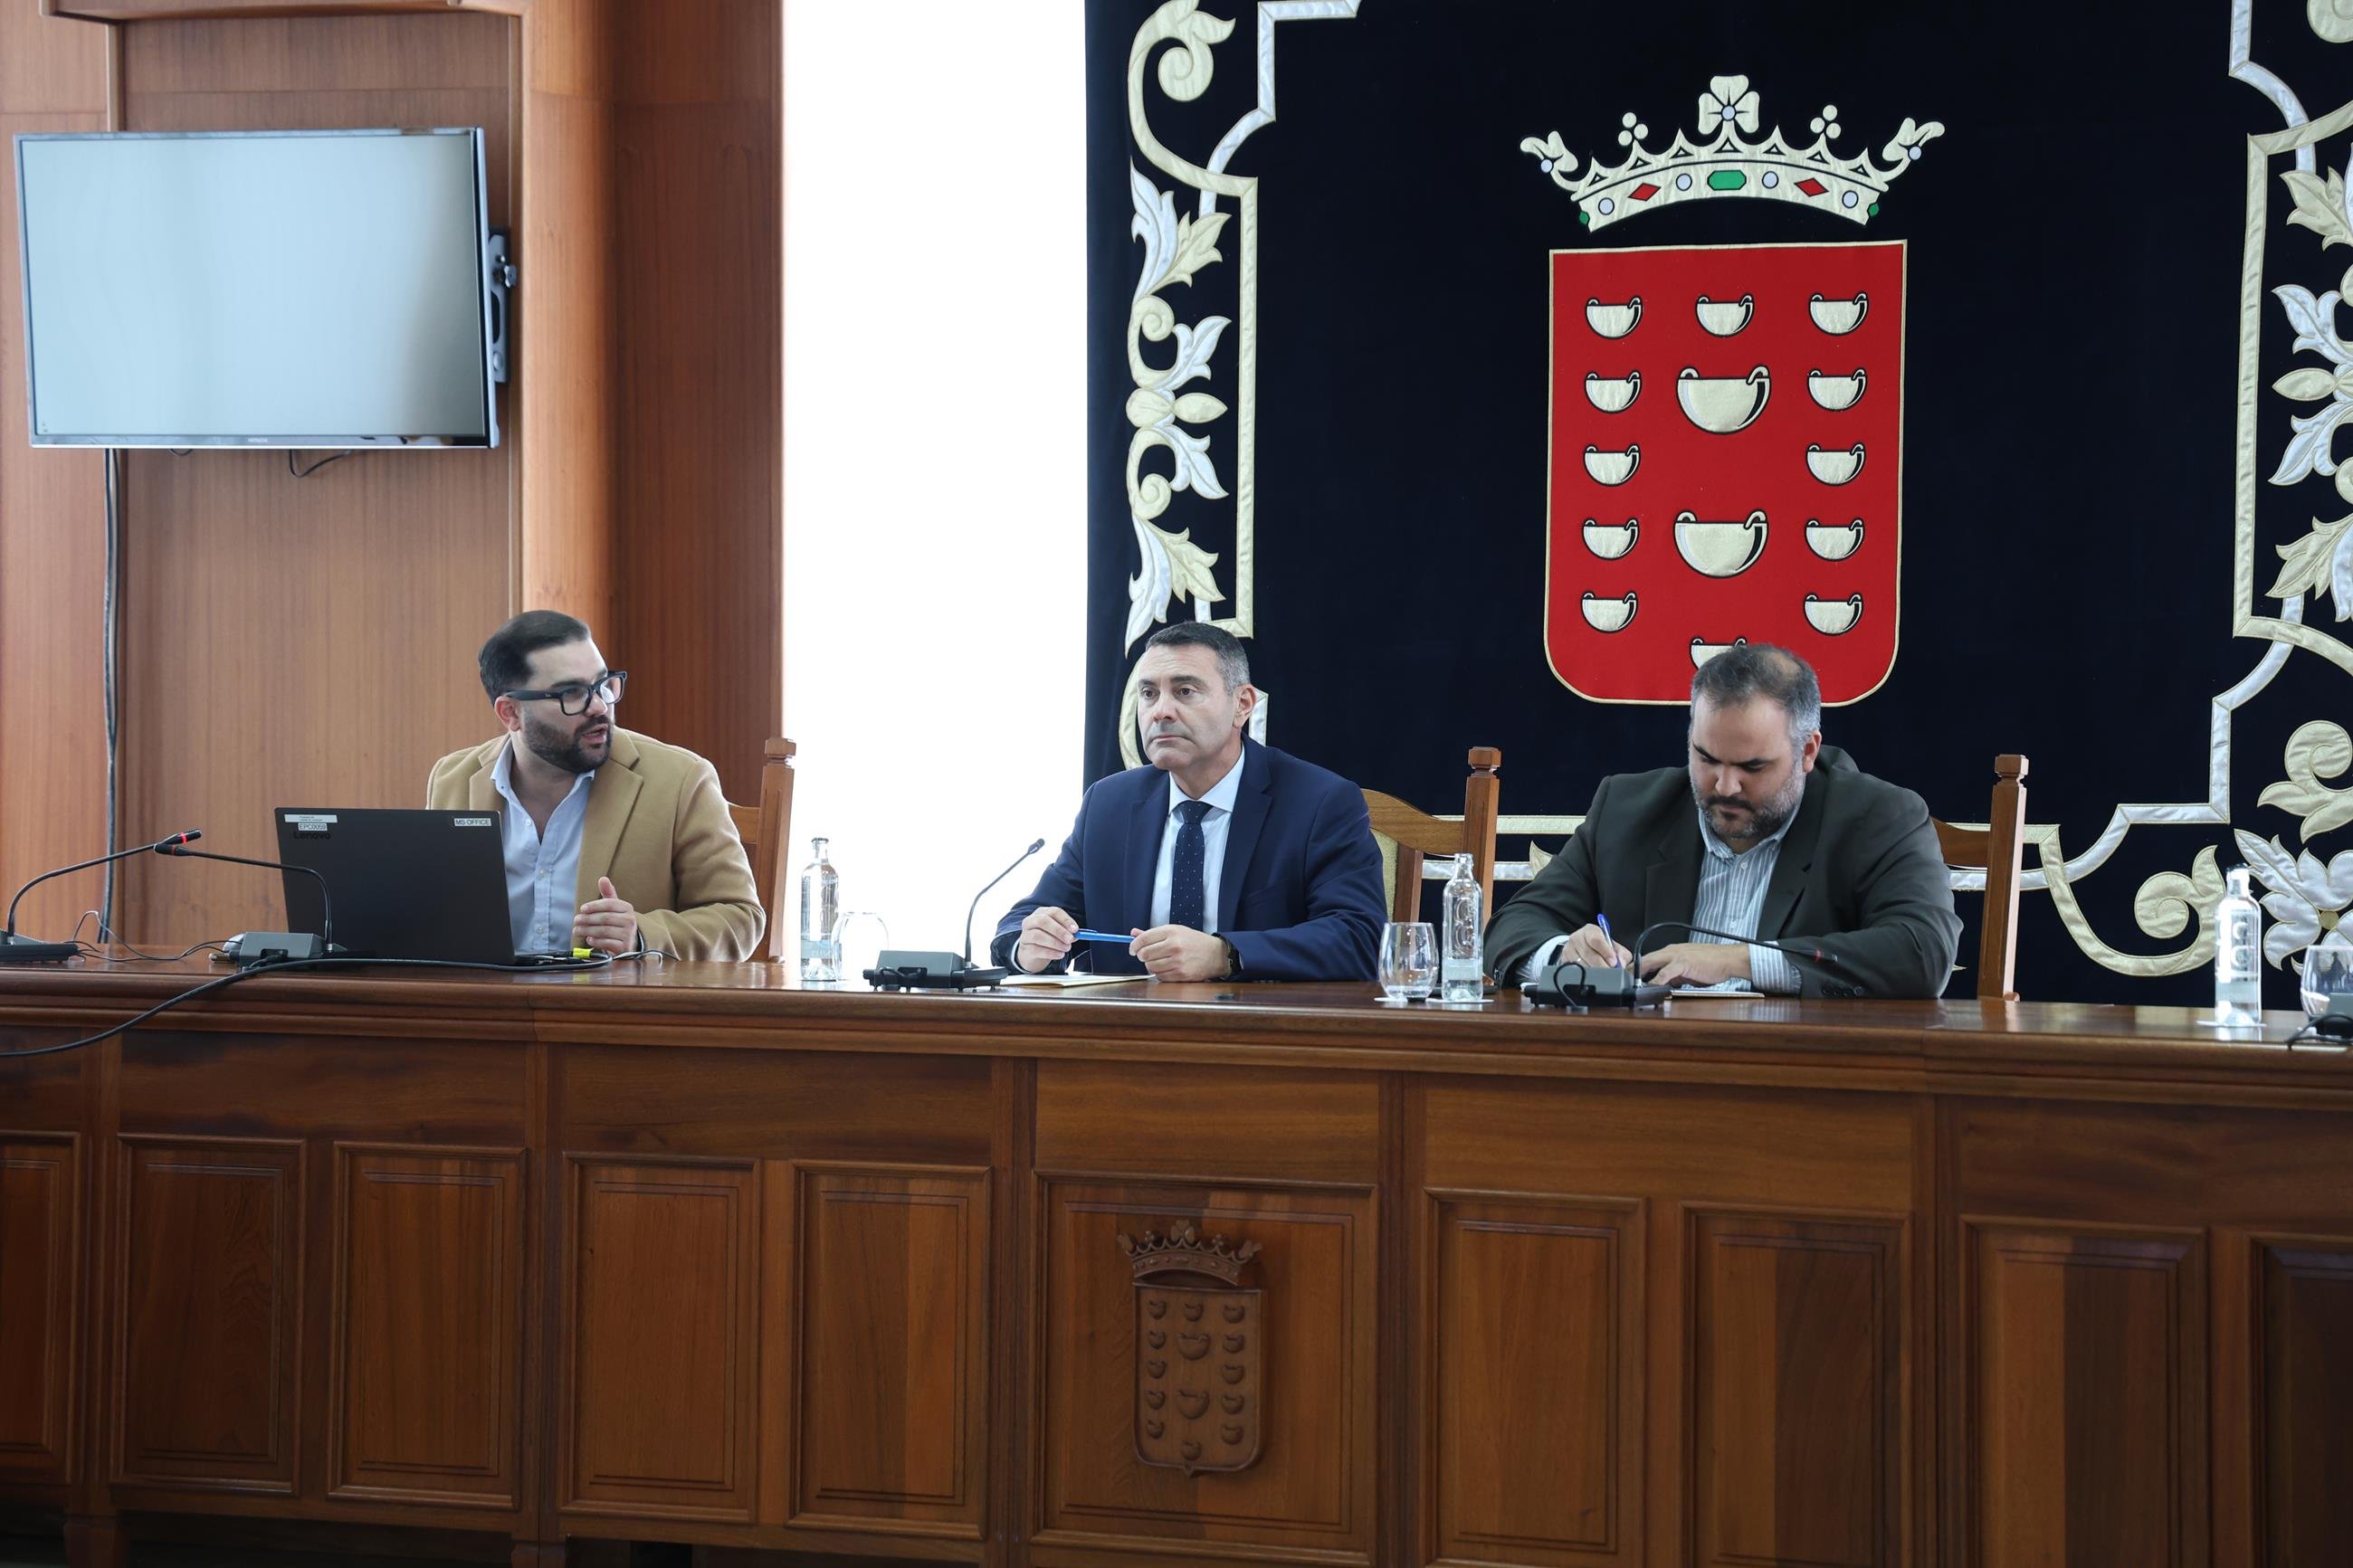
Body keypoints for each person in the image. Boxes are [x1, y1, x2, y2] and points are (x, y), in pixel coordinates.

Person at [1486, 643, 1959, 998]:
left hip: (1800, 1072)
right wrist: (1565, 955)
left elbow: (1923, 951)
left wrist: (1740, 961)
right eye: (1707, 758)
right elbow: (1513, 927)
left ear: (1807, 752)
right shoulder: (1627, 809)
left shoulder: (1877, 818)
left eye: (1753, 767)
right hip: (1644, 1067)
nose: (1725, 786)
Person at [991, 622, 1385, 982]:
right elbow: (1021, 923)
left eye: (1185, 691)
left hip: (1259, 1027)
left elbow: (1360, 937)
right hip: (1125, 1027)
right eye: (1149, 694)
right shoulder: (1109, 804)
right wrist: (1029, 947)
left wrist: (1225, 955)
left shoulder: (1318, 801)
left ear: (1243, 704)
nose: (1161, 712)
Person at [426, 611, 764, 962]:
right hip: (484, 995)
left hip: (612, 996)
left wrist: (641, 936)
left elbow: (740, 917)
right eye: (572, 693)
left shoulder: (681, 779)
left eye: (603, 684)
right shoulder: (453, 778)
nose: (600, 706)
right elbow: (432, 913)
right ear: (510, 713)